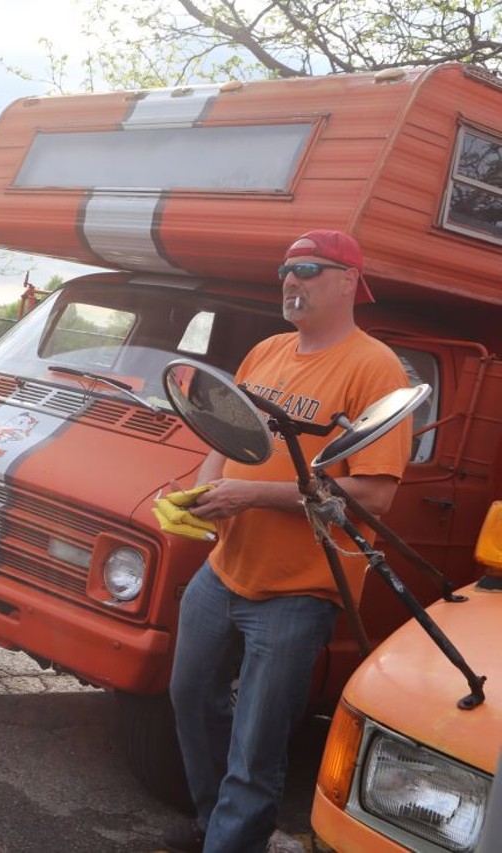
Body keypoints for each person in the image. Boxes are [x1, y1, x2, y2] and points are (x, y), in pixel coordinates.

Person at [164, 230, 412, 853]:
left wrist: (249, 497)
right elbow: (221, 441)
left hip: (299, 592)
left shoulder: (374, 367)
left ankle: (231, 844)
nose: (289, 281)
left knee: (258, 742)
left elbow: (374, 495)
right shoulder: (266, 350)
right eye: (284, 270)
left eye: (306, 269)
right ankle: (210, 824)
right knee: (190, 698)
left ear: (349, 280)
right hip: (223, 571)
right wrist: (204, 494)